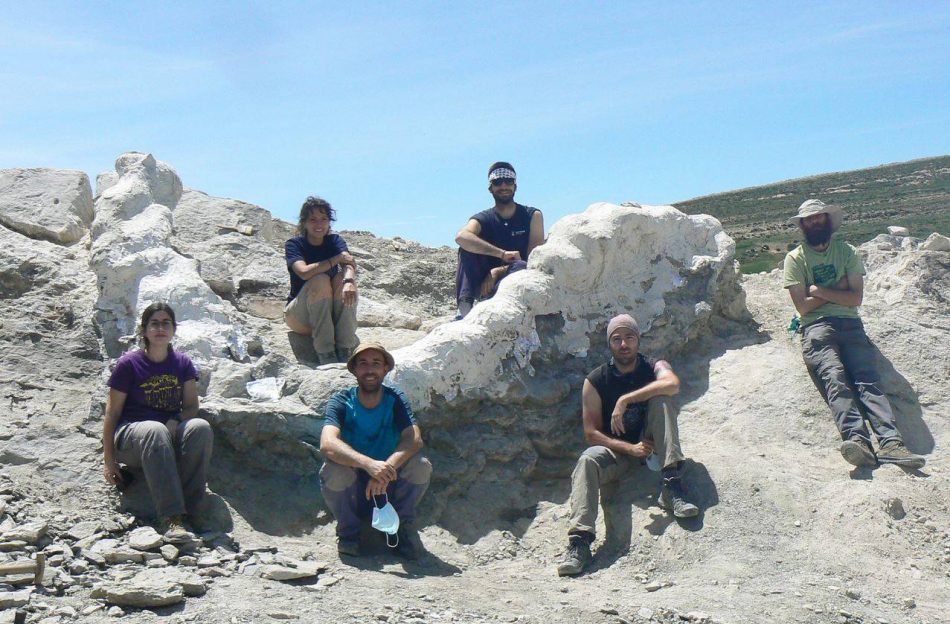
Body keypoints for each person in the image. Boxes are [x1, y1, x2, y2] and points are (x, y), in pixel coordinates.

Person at [783, 199, 925, 470]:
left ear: (827, 220)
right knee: (834, 377)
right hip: (816, 327)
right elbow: (802, 307)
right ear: (802, 225)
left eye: (818, 217)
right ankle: (857, 442)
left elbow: (855, 298)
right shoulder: (795, 258)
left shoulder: (846, 252)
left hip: (851, 324)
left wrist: (818, 291)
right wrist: (839, 288)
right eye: (809, 219)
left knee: (867, 379)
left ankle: (892, 443)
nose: (814, 222)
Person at [558, 314, 698, 577]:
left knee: (663, 399)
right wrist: (630, 449)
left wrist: (625, 400)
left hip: (652, 445)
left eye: (629, 337)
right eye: (617, 339)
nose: (624, 344)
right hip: (619, 452)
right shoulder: (596, 380)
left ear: (638, 340)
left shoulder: (653, 366)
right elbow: (591, 433)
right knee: (587, 459)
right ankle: (580, 543)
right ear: (609, 344)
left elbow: (672, 384)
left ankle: (672, 486)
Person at [102, 302, 214, 542]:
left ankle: (192, 511)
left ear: (174, 329)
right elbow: (112, 413)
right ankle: (171, 517)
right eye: (154, 323)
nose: (160, 328)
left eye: (166, 323)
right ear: (144, 330)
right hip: (131, 437)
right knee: (154, 430)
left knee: (200, 427)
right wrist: (109, 460)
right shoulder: (129, 364)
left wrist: (176, 420)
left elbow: (191, 406)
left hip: (167, 433)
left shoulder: (182, 363)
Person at [319, 343, 432, 559]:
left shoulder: (395, 399)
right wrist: (369, 465)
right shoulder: (341, 401)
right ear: (354, 370)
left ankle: (402, 529)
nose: (369, 370)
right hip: (355, 485)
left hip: (387, 485)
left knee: (420, 466)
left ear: (385, 369)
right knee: (334, 471)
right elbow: (327, 443)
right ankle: (348, 534)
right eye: (363, 363)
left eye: (376, 363)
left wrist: (385, 470)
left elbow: (414, 439)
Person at [454, 162, 544, 318]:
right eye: (497, 182)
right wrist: (501, 254)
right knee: (466, 250)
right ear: (491, 188)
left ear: (515, 186)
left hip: (516, 274)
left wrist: (498, 271)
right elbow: (461, 237)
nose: (503, 186)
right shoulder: (484, 218)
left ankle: (490, 306)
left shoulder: (532, 216)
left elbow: (534, 260)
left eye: (508, 181)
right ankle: (464, 309)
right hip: (485, 280)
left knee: (521, 266)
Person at [284, 196, 359, 365]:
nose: (319, 224)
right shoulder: (294, 244)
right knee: (320, 279)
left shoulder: (335, 241)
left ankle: (345, 349)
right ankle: (326, 353)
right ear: (304, 223)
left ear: (329, 222)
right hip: (300, 317)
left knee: (342, 279)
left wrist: (349, 280)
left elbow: (348, 263)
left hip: (329, 315)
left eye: (323, 219)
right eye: (313, 220)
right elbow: (303, 272)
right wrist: (335, 259)